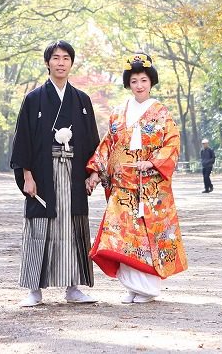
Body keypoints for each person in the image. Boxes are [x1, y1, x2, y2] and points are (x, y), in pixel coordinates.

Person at [86, 51, 187, 304]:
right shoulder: (119, 112)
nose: (139, 85)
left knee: (146, 235)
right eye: (134, 81)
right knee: (122, 234)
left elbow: (172, 144)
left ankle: (147, 289)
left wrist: (152, 162)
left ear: (151, 82)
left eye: (143, 80)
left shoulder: (161, 112)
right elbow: (108, 144)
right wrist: (96, 172)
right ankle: (131, 286)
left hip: (150, 187)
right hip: (122, 186)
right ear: (128, 84)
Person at [9, 40, 100, 307]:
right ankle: (34, 290)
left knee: (73, 228)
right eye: (56, 58)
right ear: (47, 62)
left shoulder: (82, 100)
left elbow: (93, 142)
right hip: (43, 173)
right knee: (39, 228)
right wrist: (27, 176)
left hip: (72, 174)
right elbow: (23, 140)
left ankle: (73, 287)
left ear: (72, 63)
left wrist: (92, 173)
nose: (61, 63)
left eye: (66, 58)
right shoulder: (33, 99)